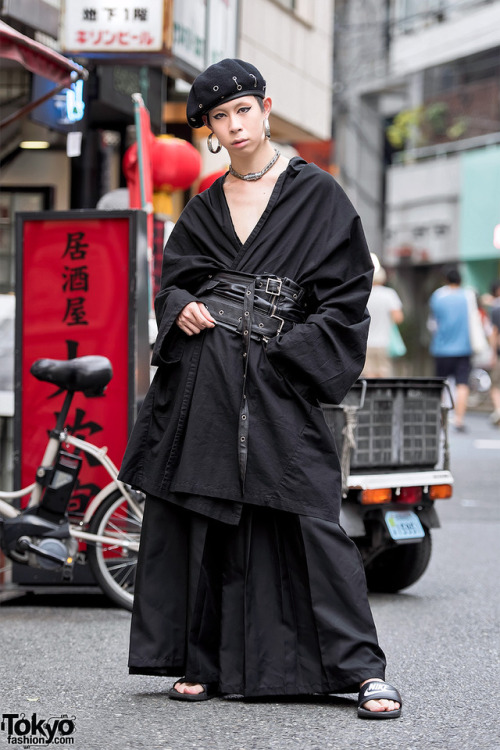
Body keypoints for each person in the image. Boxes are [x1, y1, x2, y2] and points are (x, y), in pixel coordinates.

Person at [118, 58, 401, 719]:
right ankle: (205, 661)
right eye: (219, 117)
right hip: (205, 379)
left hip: (279, 379)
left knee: (308, 517)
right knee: (207, 519)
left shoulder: (318, 196)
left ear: (266, 109)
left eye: (243, 110)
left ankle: (363, 670)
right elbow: (173, 282)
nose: (234, 125)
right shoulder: (204, 205)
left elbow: (347, 297)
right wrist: (181, 306)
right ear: (210, 130)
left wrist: (288, 357)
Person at [428, 267, 472, 431]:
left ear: (446, 280)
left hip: (441, 348)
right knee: (462, 384)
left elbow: (432, 324)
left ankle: (440, 417)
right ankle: (459, 419)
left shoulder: (438, 296)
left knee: (440, 383)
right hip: (463, 348)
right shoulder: (467, 297)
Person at [362, 264, 404, 377]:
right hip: (384, 342)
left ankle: (369, 395)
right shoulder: (389, 294)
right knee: (383, 374)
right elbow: (398, 318)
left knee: (368, 375)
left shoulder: (364, 294)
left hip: (365, 342)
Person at [488, 279, 500, 425]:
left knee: (496, 384)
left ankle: (498, 409)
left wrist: (493, 354)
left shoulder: (496, 309)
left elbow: (494, 333)